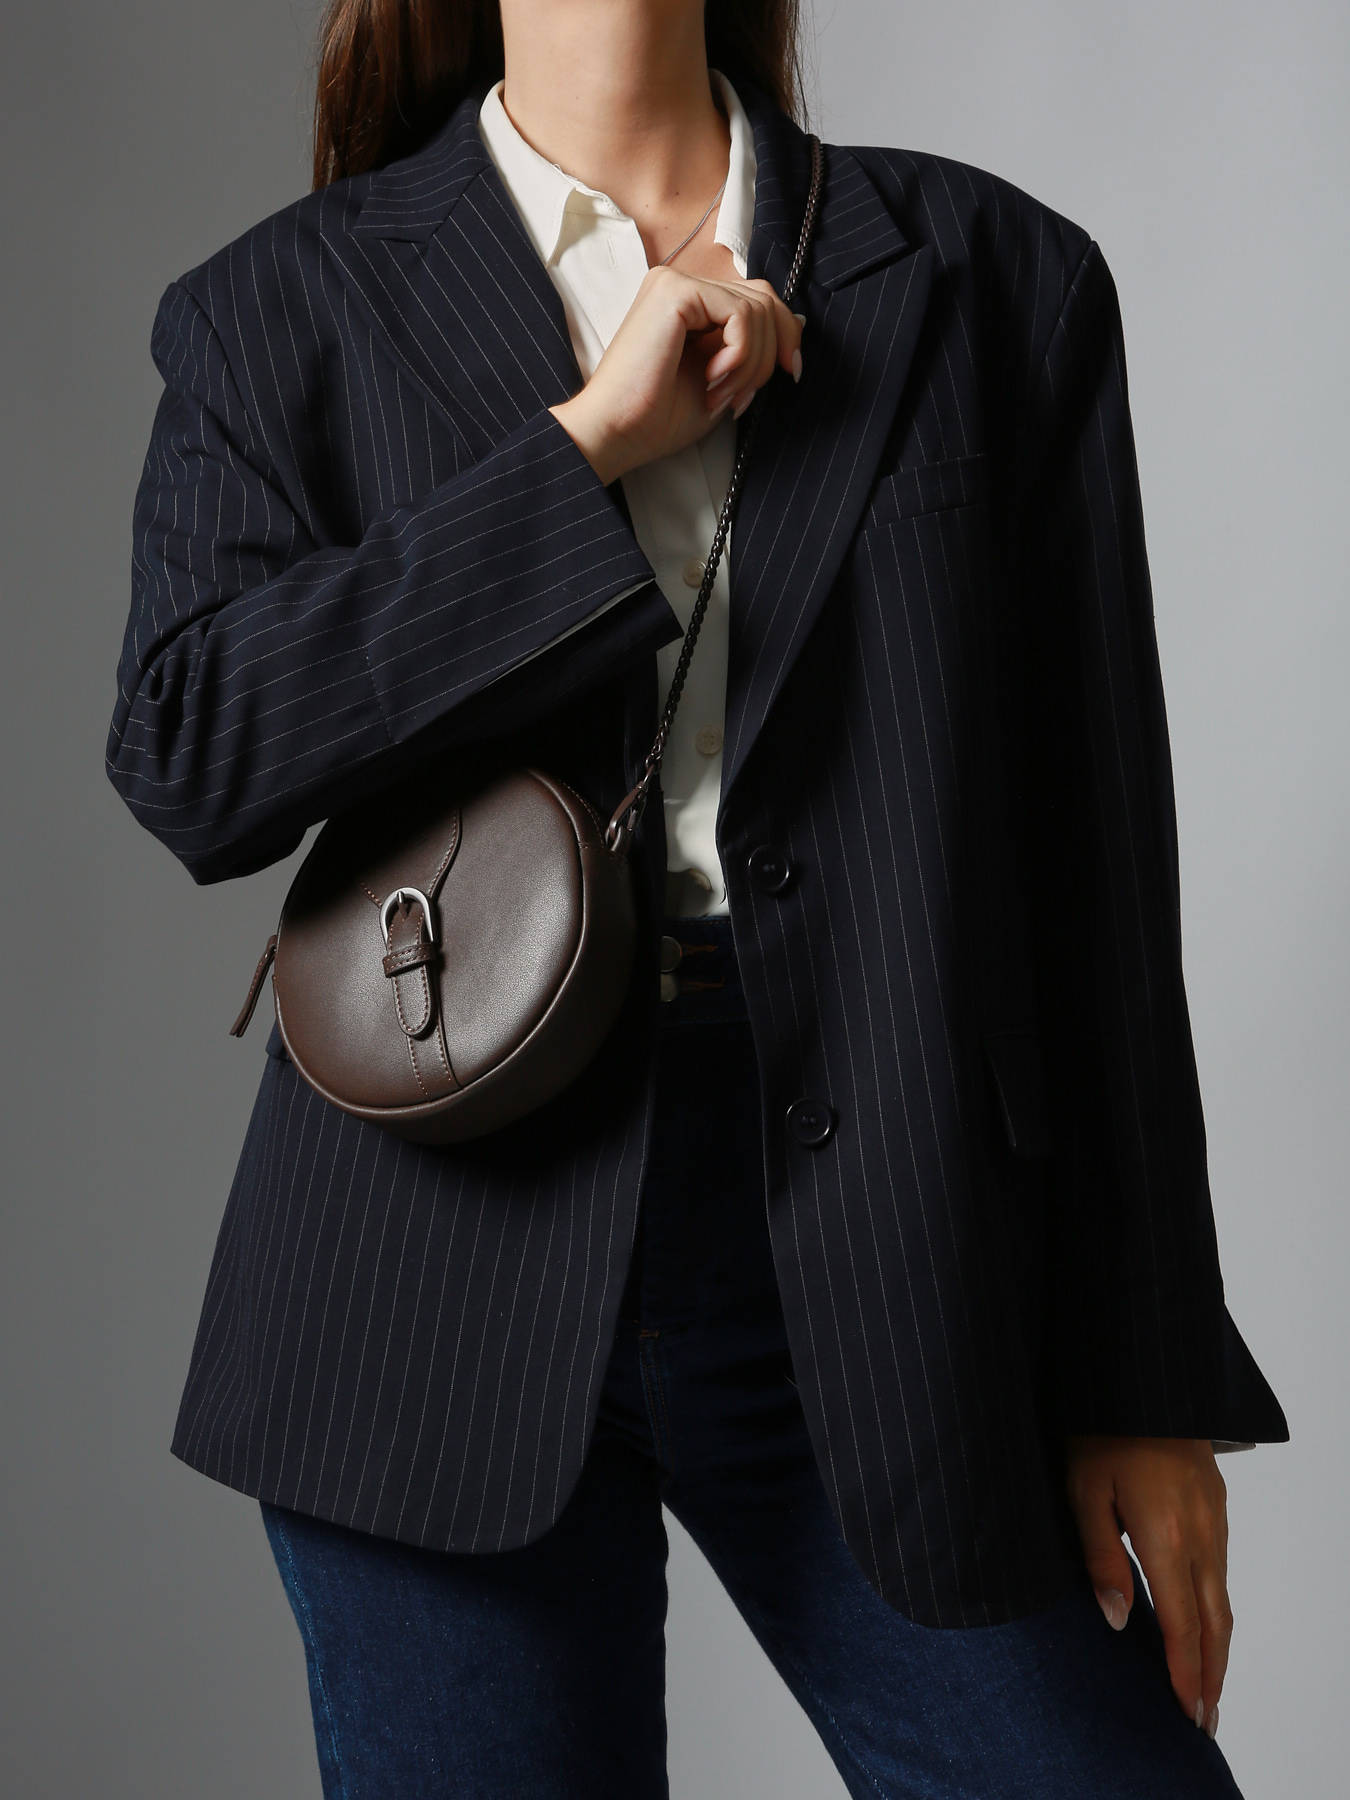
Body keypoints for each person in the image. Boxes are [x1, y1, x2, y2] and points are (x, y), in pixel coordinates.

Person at [105, 1, 1291, 1794]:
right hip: (427, 1259)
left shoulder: (988, 273)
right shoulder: (279, 305)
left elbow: (1098, 862)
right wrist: (582, 446)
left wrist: (1143, 1374)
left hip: (897, 1238)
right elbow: (191, 755)